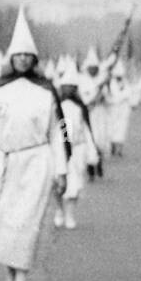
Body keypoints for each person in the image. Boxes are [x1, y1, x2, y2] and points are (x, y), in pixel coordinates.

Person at [0, 8, 67, 281]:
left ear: (34, 60)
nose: (23, 60)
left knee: (28, 225)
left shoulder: (47, 92)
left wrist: (62, 170)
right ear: (11, 59)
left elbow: (57, 132)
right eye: (19, 55)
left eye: (29, 56)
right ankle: (10, 276)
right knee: (6, 223)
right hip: (3, 162)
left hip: (36, 163)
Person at [53, 61, 99, 230]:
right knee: (58, 182)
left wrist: (92, 151)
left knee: (75, 184)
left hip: (78, 149)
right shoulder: (55, 106)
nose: (68, 90)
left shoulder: (80, 107)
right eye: (65, 86)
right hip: (59, 150)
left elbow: (87, 129)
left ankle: (70, 215)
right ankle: (59, 210)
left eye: (72, 87)